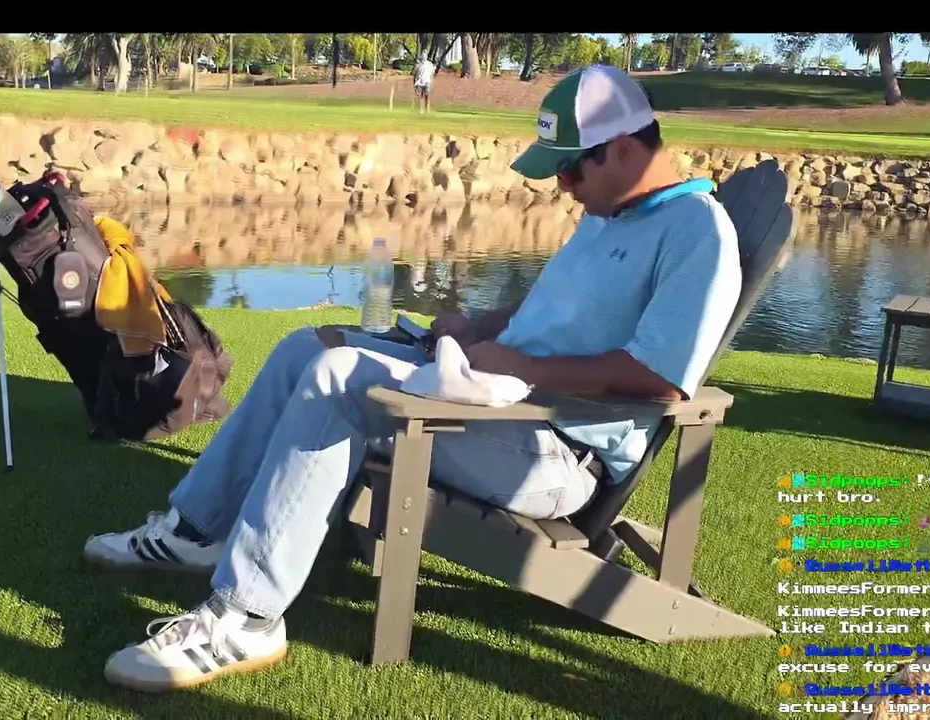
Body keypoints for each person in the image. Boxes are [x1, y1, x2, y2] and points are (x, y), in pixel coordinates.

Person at [86, 63, 743, 692]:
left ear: (623, 149)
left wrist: (521, 366)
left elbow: (663, 380)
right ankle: (194, 532)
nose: (563, 186)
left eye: (571, 168)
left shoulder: (696, 231)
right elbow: (540, 316)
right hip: (494, 402)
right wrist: (475, 330)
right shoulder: (607, 214)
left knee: (337, 379)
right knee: (301, 349)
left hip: (553, 449)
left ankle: (247, 618)